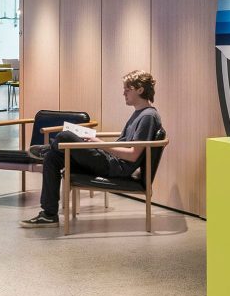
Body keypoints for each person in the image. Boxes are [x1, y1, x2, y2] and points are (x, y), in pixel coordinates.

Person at [21, 70, 164, 227]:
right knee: (52, 158)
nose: (124, 93)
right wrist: (98, 144)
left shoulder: (147, 117)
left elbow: (132, 155)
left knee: (65, 136)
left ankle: (47, 149)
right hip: (109, 161)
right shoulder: (140, 113)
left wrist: (99, 143)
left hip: (115, 167)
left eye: (127, 89)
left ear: (140, 90)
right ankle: (49, 215)